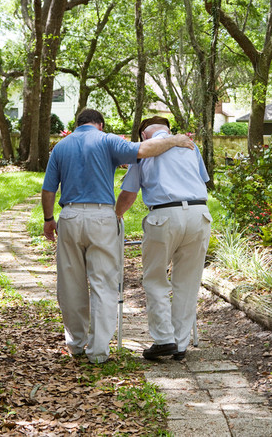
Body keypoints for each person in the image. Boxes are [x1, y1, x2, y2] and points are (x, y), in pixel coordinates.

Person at [42, 109, 194, 364]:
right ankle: (99, 351)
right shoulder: (107, 139)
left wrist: (49, 220)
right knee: (103, 284)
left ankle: (76, 344)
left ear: (77, 124)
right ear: (99, 124)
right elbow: (144, 150)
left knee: (70, 283)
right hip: (101, 216)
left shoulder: (60, 147)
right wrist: (175, 140)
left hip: (68, 216)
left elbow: (48, 189)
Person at [115, 116, 211, 361]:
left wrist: (115, 216)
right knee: (188, 282)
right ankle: (180, 344)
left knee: (156, 278)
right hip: (200, 213)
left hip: (164, 215)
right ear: (168, 130)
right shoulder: (190, 145)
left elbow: (129, 194)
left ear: (143, 135)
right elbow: (203, 180)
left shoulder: (144, 150)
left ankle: (164, 339)